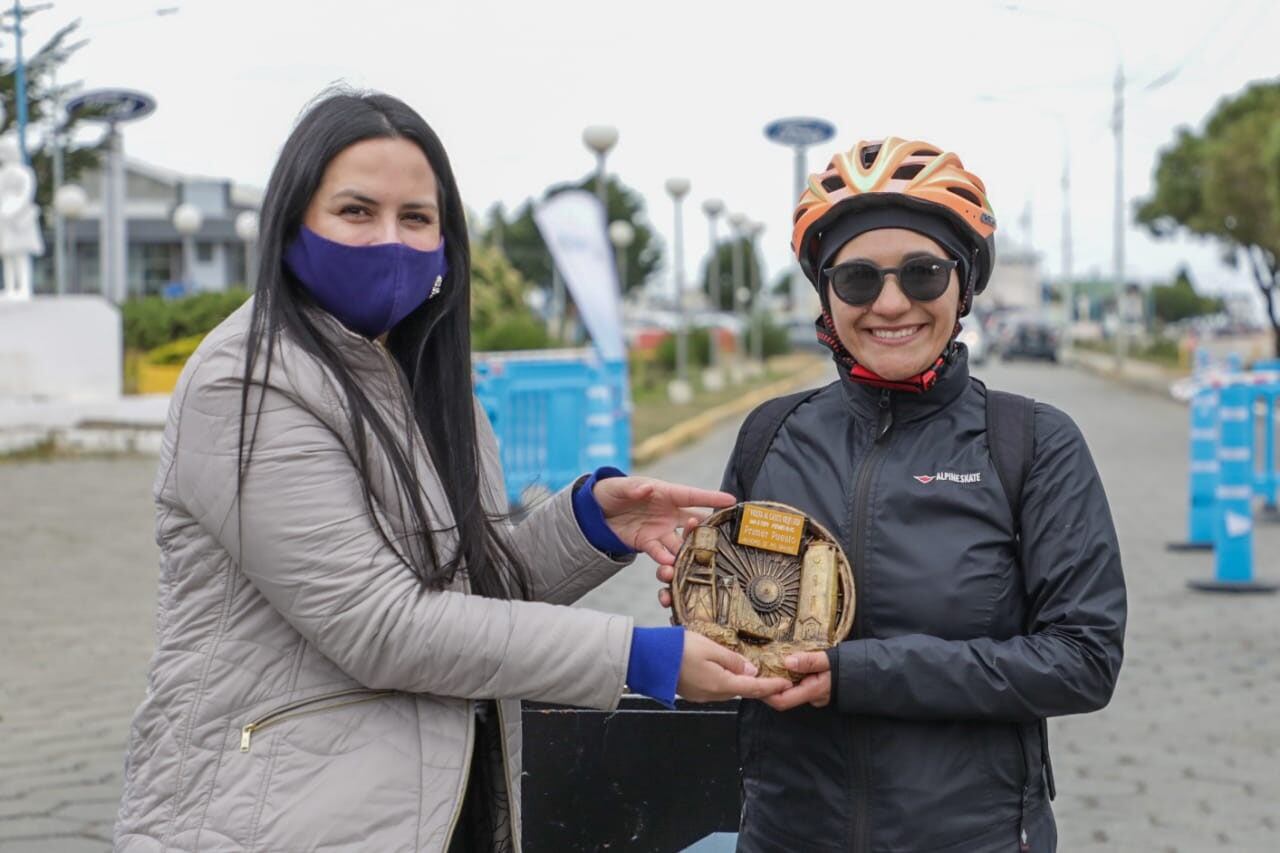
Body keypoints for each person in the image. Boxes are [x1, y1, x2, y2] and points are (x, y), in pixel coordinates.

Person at [113, 90, 790, 853]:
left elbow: (471, 598)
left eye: (415, 219)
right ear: (291, 223)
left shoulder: (422, 375)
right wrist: (639, 656)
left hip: (440, 806)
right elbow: (384, 625)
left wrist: (593, 523)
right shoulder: (247, 383)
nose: (389, 242)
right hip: (278, 817)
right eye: (356, 211)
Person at [658, 137, 1126, 852]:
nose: (891, 302)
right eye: (857, 280)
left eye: (922, 273)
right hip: (787, 832)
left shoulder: (1033, 442)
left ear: (962, 287)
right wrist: (707, 611)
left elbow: (1083, 659)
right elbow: (738, 641)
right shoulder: (771, 433)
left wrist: (855, 675)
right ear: (825, 296)